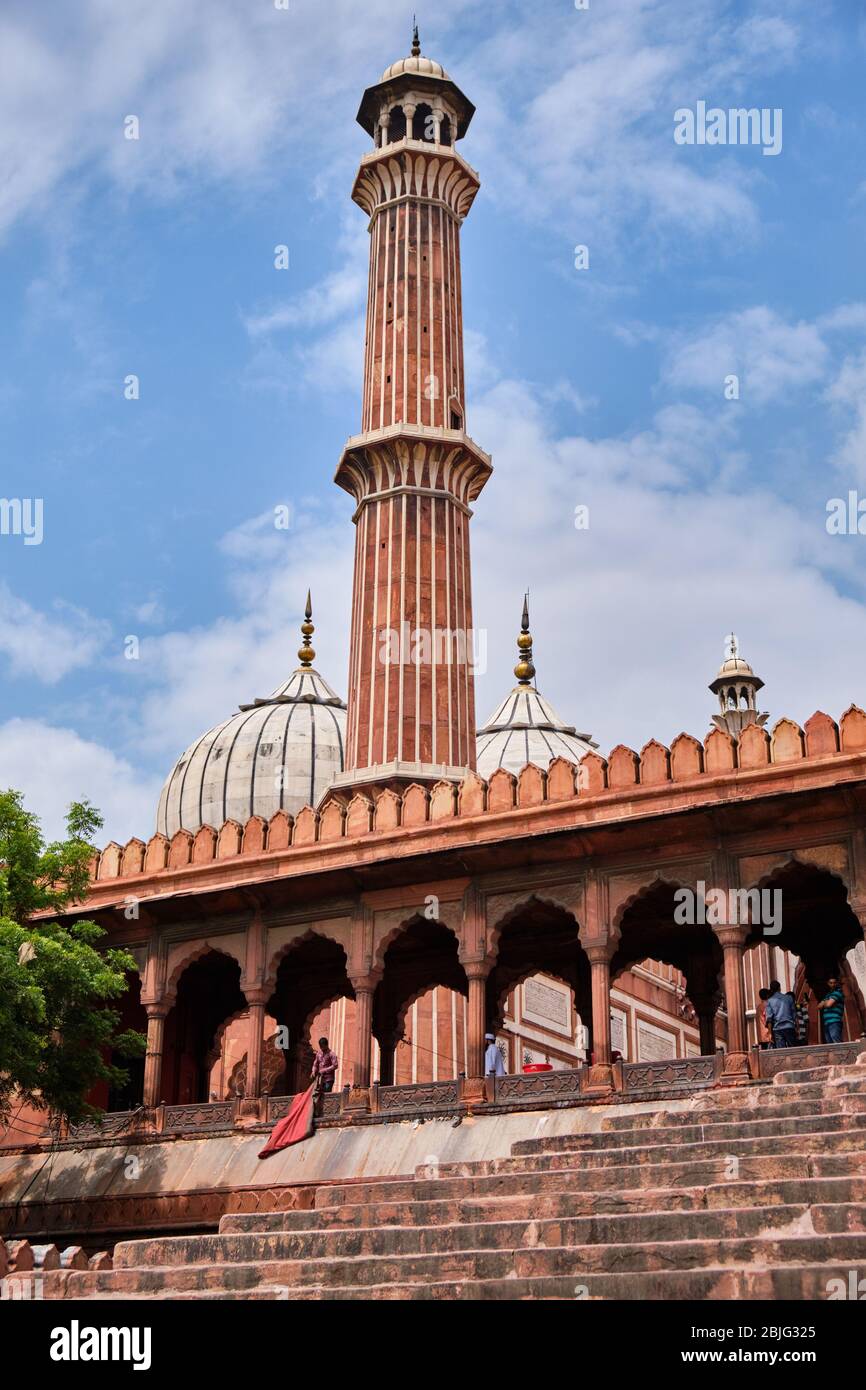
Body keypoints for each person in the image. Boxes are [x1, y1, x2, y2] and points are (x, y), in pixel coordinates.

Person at [764, 979, 796, 1048]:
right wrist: (796, 1026)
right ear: (779, 988)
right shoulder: (789, 998)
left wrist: (770, 1033)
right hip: (789, 1026)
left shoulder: (770, 1001)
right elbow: (794, 1013)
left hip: (778, 1029)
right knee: (793, 1050)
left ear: (771, 990)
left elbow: (769, 1019)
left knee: (781, 1052)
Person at [817, 977, 845, 1044]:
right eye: (831, 983)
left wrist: (825, 1002)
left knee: (836, 1041)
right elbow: (818, 1006)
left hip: (835, 1021)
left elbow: (828, 1005)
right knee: (830, 1044)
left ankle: (841, 1054)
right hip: (827, 1022)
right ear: (828, 984)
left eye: (834, 983)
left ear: (837, 983)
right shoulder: (828, 995)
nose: (833, 984)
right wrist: (827, 1002)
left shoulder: (838, 992)